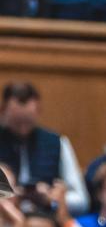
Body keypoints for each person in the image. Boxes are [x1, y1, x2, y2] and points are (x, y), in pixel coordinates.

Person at [0, 81, 89, 215]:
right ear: (3, 111)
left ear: (38, 111)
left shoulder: (57, 142)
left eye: (28, 121)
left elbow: (81, 201)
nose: (23, 128)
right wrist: (11, 197)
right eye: (17, 122)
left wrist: (51, 199)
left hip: (48, 223)